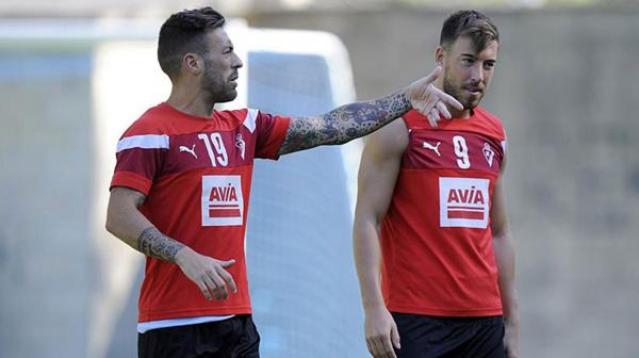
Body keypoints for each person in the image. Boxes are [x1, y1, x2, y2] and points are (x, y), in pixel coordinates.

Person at [104, 6, 462, 358]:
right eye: (226, 52)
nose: (238, 62)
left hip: (237, 323)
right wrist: (184, 256)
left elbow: (330, 128)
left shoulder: (244, 127)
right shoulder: (149, 133)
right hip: (173, 327)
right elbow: (118, 215)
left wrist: (406, 99)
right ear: (192, 64)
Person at [353, 10, 520, 358]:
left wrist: (511, 320)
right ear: (441, 57)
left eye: (488, 65)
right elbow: (367, 219)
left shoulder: (494, 134)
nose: (478, 76)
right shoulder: (399, 129)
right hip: (416, 322)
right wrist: (373, 308)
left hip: (484, 322)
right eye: (468, 61)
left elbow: (499, 233)